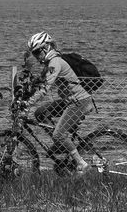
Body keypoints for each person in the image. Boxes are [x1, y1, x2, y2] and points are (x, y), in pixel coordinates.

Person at [20, 30, 96, 174]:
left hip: (80, 102)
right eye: (33, 54)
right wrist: (22, 97)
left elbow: (44, 89)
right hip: (70, 101)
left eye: (37, 52)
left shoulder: (55, 62)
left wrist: (27, 103)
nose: (36, 57)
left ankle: (81, 164)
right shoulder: (50, 63)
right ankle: (61, 145)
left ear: (46, 47)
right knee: (41, 113)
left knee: (58, 134)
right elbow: (38, 83)